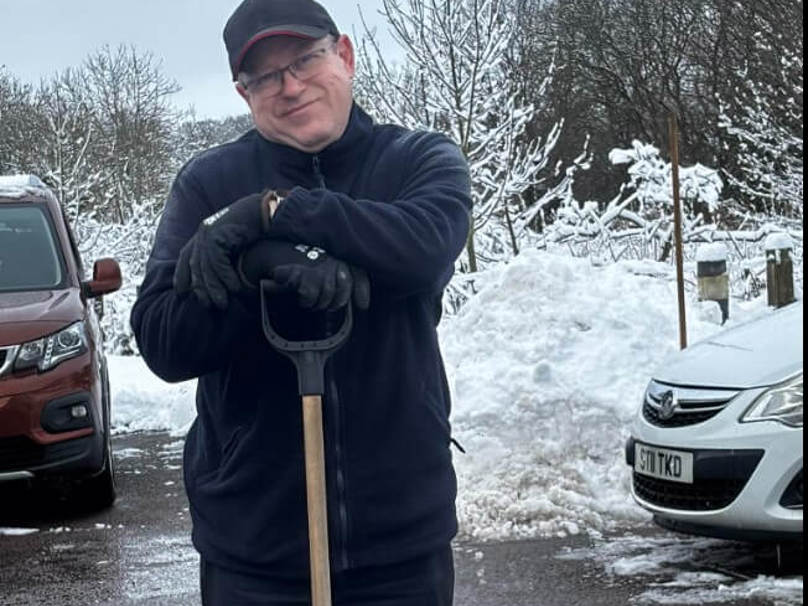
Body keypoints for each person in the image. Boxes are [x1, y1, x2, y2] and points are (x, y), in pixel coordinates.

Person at [130, 0, 471, 603]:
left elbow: (425, 247)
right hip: (253, 548)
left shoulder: (418, 160)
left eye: (305, 60)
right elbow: (162, 338)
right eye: (264, 76)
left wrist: (274, 214)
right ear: (244, 93)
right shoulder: (207, 183)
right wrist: (257, 271)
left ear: (344, 56)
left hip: (400, 546)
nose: (289, 86)